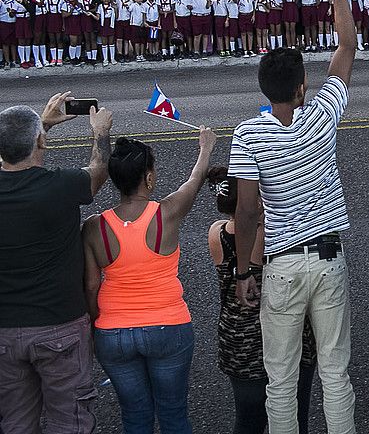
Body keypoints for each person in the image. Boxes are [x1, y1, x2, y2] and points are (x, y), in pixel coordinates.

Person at [229, 0, 359, 434]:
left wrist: (245, 270)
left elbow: (246, 213)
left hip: (281, 264)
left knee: (279, 380)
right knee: (335, 373)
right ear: (303, 86)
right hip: (328, 259)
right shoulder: (322, 115)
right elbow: (346, 46)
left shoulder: (248, 134)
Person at [82, 130, 219, 434]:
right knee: (173, 414)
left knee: (134, 415)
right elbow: (193, 183)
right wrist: (206, 148)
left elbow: (91, 286)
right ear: (148, 178)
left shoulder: (94, 228)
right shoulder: (165, 214)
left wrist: (95, 328)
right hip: (168, 327)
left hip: (113, 334)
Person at [0, 95, 113, 434]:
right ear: (39, 142)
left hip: (5, 331)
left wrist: (42, 126)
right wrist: (100, 133)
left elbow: (11, 150)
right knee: (70, 421)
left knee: (16, 421)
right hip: (59, 325)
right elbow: (98, 171)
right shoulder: (61, 186)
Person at [209, 179, 318, 434]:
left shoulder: (216, 232)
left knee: (248, 419)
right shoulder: (265, 233)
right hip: (280, 334)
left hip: (237, 338)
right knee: (293, 412)